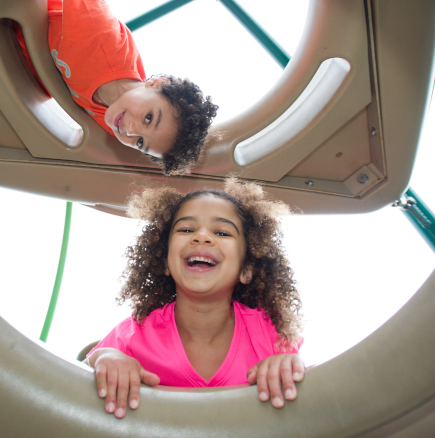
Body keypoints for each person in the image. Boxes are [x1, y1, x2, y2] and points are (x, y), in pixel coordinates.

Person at [86, 178, 304, 418]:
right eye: (186, 229)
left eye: (221, 232)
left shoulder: (272, 336)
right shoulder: (133, 335)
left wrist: (286, 364)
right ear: (165, 261)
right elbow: (81, 372)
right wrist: (106, 357)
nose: (201, 237)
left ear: (246, 269)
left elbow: (300, 385)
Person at [15, 0, 218, 175]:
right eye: (149, 118)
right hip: (11, 25)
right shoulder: (99, 36)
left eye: (141, 143)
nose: (131, 130)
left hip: (18, 67)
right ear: (155, 84)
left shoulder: (116, 117)